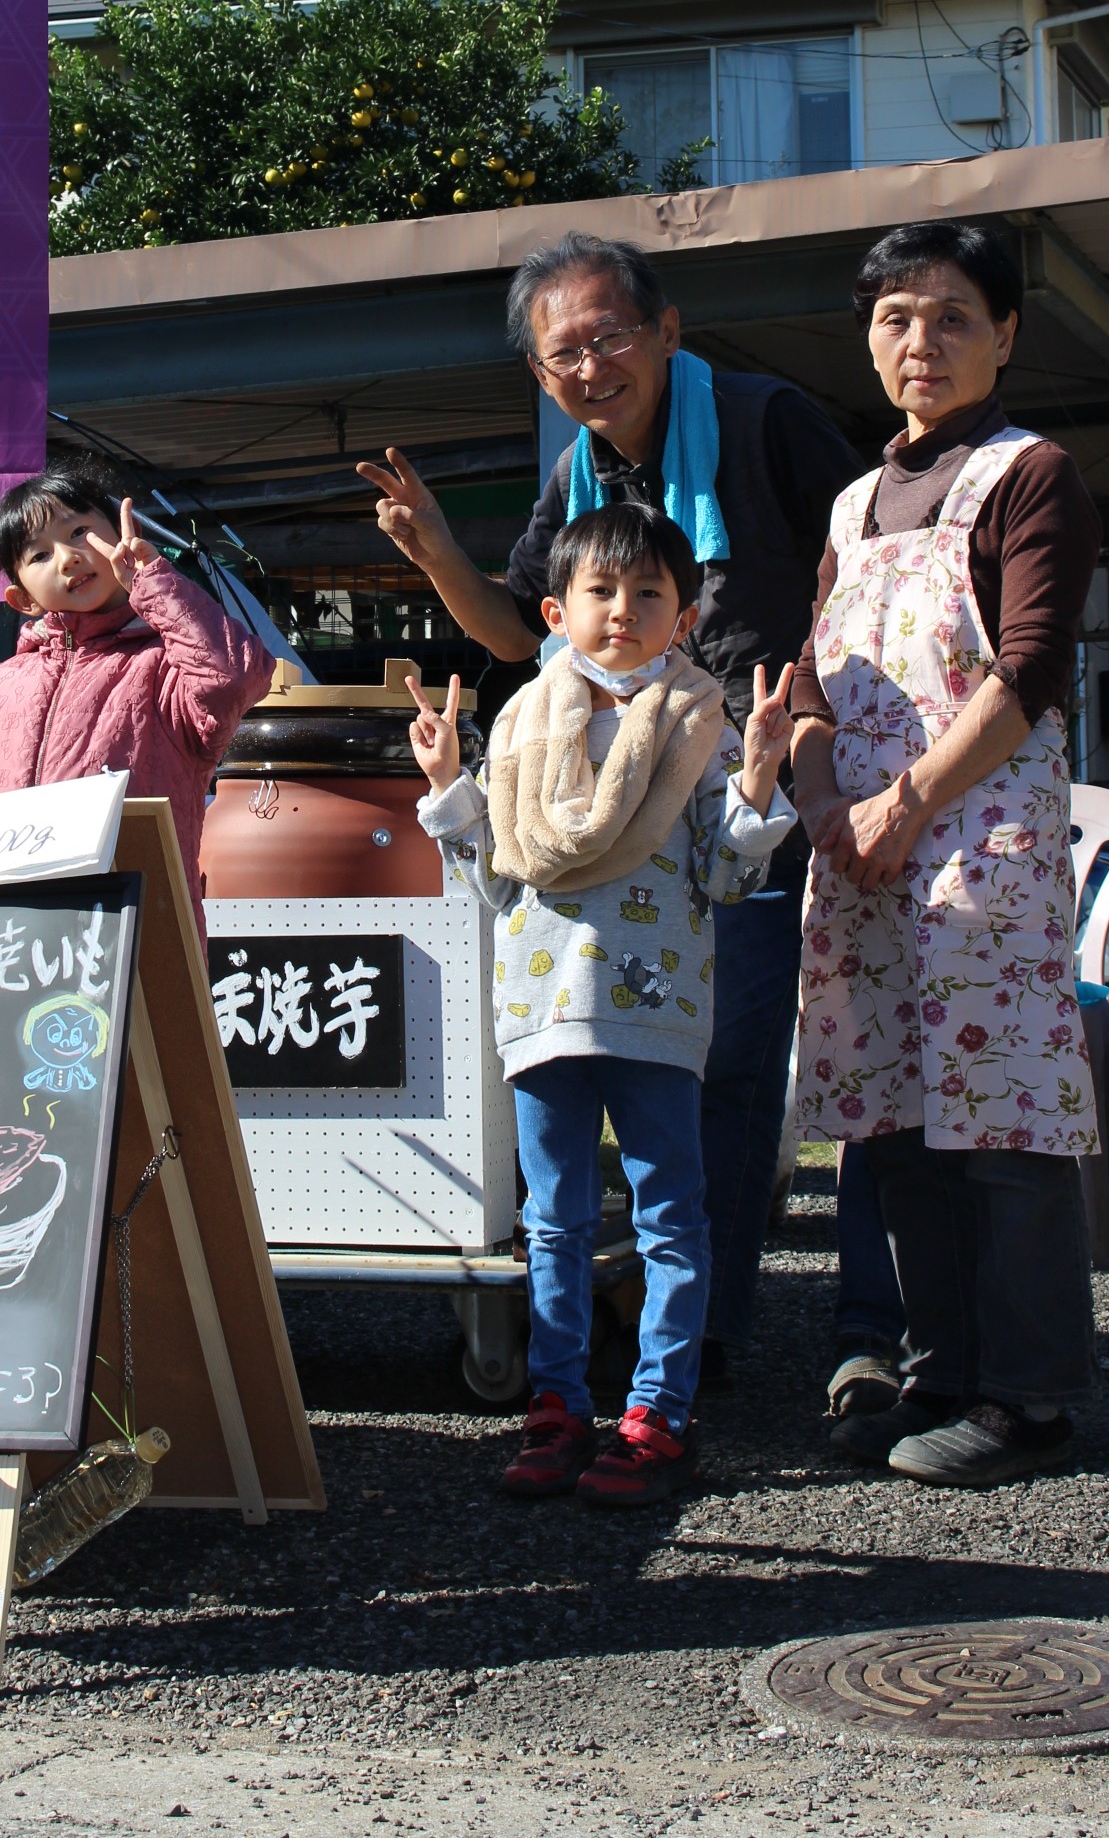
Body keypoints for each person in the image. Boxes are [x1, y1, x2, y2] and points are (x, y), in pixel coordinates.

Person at [361, 232, 859, 1381]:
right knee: (613, 1073)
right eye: (561, 354)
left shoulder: (767, 418)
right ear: (541, 376)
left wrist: (815, 735)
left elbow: (858, 565)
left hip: (746, 781)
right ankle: (632, 1330)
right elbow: (516, 630)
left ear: (667, 330)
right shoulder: (581, 475)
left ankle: (709, 1329)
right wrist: (437, 550)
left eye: (609, 337)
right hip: (603, 816)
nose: (589, 368)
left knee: (729, 1064)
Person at [790, 220, 1102, 1487]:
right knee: (899, 1121)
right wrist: (826, 802)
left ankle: (1030, 1400)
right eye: (897, 319)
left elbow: (1026, 668)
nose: (923, 343)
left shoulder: (1033, 475)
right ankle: (942, 1376)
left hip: (980, 840)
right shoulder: (854, 502)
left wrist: (903, 801)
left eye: (955, 318)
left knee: (1003, 1128)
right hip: (866, 853)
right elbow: (807, 675)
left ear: (1006, 337)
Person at [408, 502, 797, 1505]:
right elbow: (497, 884)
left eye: (648, 594)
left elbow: (725, 880)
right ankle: (557, 1408)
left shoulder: (699, 727)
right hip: (542, 1011)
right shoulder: (522, 722)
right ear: (553, 609)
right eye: (600, 591)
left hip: (660, 1017)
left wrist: (754, 782)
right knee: (555, 1220)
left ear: (686, 617)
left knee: (672, 1216)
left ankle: (659, 1415)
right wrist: (452, 788)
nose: (622, 610)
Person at [0, 458, 274, 927]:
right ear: (23, 599)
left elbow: (231, 680)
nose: (67, 558)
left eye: (80, 532)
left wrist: (154, 583)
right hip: (6, 929)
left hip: (135, 928)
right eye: (39, 555)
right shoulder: (2, 682)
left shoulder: (164, 661)